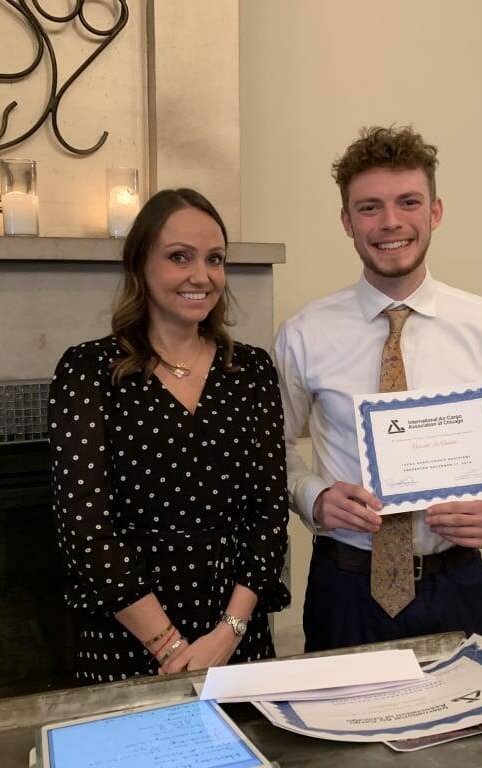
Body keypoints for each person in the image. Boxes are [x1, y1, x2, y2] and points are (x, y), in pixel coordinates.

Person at [273, 126, 482, 652]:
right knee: (346, 730)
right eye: (369, 207)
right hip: (346, 585)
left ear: (435, 212)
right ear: (347, 221)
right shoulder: (304, 334)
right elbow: (270, 450)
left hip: (457, 580)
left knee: (468, 729)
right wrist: (314, 496)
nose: (391, 222)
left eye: (408, 202)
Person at [49, 188, 289, 683]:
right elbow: (85, 529)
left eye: (215, 259)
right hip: (128, 634)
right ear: (140, 263)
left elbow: (269, 514)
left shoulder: (252, 369)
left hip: (236, 633)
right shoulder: (88, 370)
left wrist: (229, 631)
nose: (201, 276)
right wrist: (170, 646)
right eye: (180, 257)